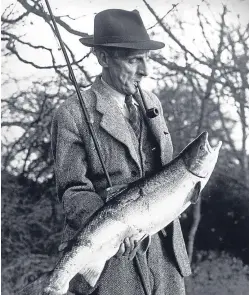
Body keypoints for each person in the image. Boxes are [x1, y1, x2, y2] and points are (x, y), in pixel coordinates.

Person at [51, 9, 191, 295]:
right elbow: (73, 190)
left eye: (146, 58)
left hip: (165, 256)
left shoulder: (152, 102)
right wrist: (114, 226)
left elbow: (164, 171)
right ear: (103, 58)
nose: (145, 70)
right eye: (133, 60)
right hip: (110, 262)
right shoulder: (72, 114)